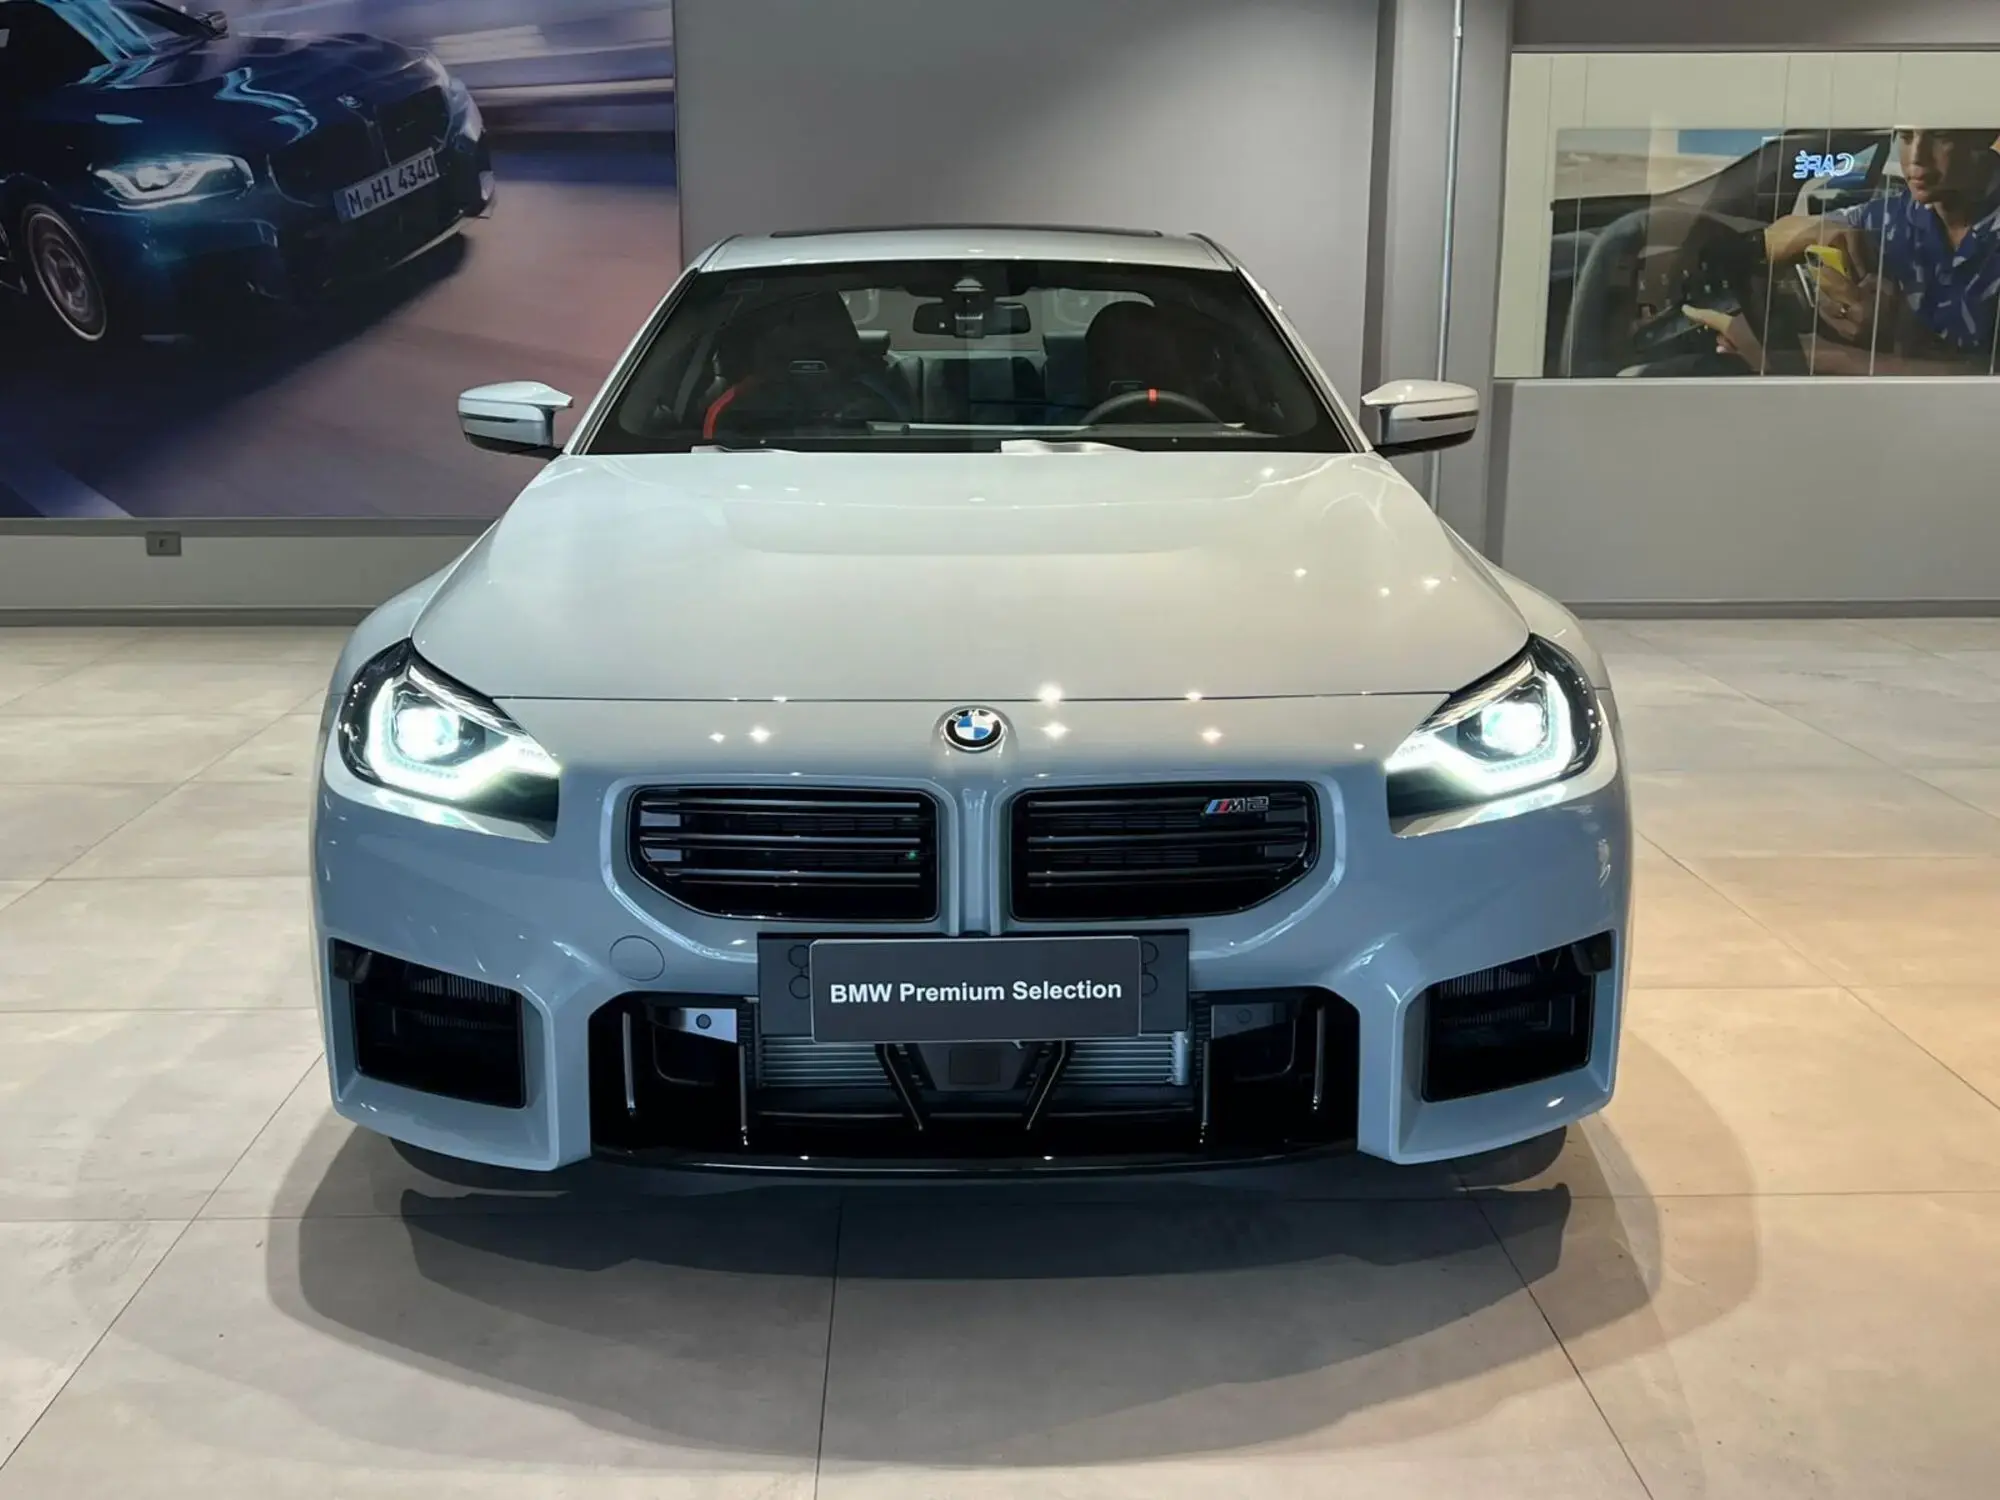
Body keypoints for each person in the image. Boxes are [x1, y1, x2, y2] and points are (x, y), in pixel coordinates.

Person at [1686, 128, 2000, 375]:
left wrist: (1821, 358)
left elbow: (1986, 379)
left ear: (1984, 134)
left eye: (1940, 136)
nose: (1917, 157)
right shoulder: (1893, 216)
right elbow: (1782, 235)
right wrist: (1796, 236)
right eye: (1905, 137)